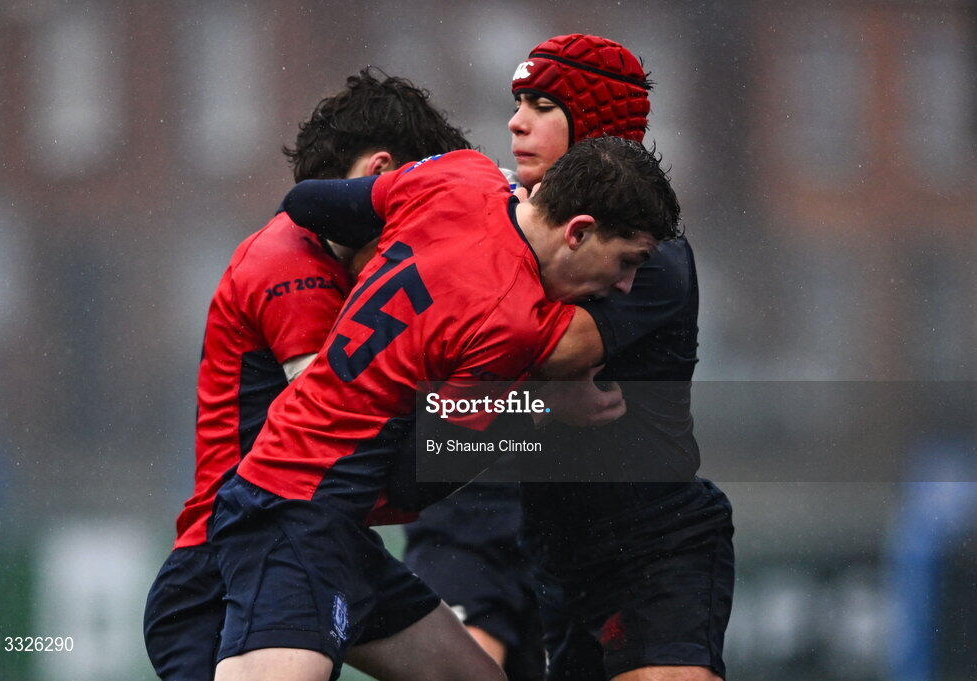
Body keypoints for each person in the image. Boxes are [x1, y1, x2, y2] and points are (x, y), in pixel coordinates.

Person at [209, 136, 681, 681]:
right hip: (294, 515)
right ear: (576, 231)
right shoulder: (512, 323)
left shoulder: (461, 176)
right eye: (628, 262)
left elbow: (311, 202)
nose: (624, 285)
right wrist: (542, 407)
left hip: (324, 514)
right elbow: (420, 475)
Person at [403, 34, 735, 681]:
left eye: (541, 105)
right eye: (517, 101)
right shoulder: (516, 233)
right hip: (560, 557)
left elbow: (541, 349)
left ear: (596, 127)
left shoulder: (647, 255)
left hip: (654, 549)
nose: (514, 121)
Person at [142, 67, 473, 681]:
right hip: (233, 556)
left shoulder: (356, 268)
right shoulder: (289, 261)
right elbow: (345, 437)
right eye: (428, 199)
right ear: (380, 175)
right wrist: (515, 415)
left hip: (326, 535)